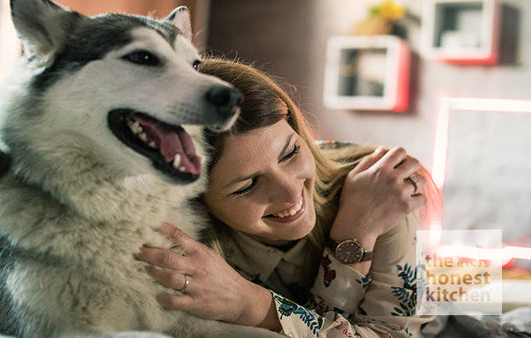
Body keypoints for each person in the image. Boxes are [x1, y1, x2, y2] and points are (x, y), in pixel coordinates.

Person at [135, 57, 440, 337]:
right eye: (248, 185)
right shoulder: (188, 242)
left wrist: (253, 305)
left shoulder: (379, 194)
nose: (291, 192)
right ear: (197, 198)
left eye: (291, 152)